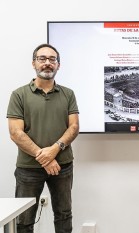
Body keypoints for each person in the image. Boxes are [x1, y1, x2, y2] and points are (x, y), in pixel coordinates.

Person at [7, 44, 80, 233]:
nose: (47, 63)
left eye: (52, 59)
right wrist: (44, 157)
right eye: (42, 59)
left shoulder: (68, 94)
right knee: (24, 220)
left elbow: (74, 127)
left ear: (58, 65)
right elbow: (16, 132)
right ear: (34, 63)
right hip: (28, 168)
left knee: (64, 215)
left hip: (62, 165)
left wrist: (54, 150)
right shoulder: (19, 95)